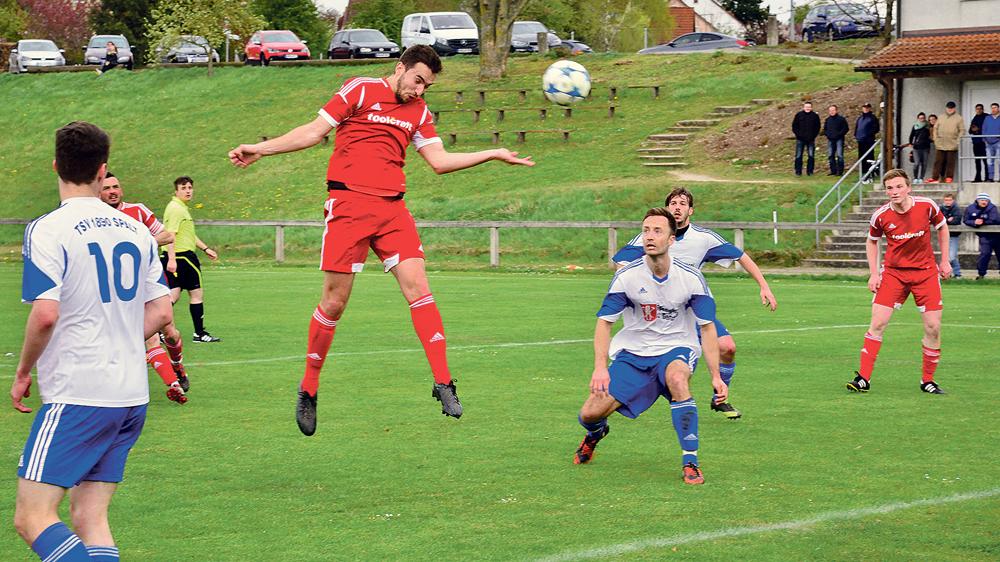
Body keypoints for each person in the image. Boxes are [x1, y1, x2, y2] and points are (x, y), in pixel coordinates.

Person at [227, 45, 535, 435]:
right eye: (417, 80)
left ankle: (443, 381)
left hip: (393, 211)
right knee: (334, 303)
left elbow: (439, 162)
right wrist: (261, 148)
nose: (420, 90)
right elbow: (313, 132)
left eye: (428, 85)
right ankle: (309, 387)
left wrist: (492, 153)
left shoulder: (419, 112)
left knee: (419, 289)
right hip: (349, 206)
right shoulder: (359, 89)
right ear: (400, 68)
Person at [12, 121, 172, 562]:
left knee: (32, 517)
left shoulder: (48, 229)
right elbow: (161, 312)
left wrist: (23, 372)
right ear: (103, 170)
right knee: (89, 518)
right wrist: (115, 333)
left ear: (55, 166)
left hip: (79, 393)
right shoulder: (137, 231)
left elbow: (46, 314)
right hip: (130, 397)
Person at [572, 207, 727, 485]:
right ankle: (596, 433)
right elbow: (604, 322)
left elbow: (707, 327)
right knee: (589, 414)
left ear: (672, 240)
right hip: (633, 353)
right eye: (645, 230)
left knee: (678, 379)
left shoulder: (691, 278)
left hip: (676, 347)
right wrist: (600, 368)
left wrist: (716, 375)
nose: (649, 236)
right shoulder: (627, 277)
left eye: (657, 231)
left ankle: (690, 460)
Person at [612, 188, 777, 419]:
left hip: (693, 311)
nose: (677, 207)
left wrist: (764, 285)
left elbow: (740, 256)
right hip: (661, 316)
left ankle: (720, 397)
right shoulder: (650, 235)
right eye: (672, 203)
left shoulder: (703, 239)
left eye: (682, 203)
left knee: (728, 348)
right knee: (655, 365)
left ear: (691, 210)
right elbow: (620, 262)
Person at [847, 169, 951, 395]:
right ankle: (863, 378)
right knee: (878, 323)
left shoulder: (927, 206)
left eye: (898, 186)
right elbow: (872, 241)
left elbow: (942, 227)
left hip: (925, 274)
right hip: (894, 275)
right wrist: (874, 273)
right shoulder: (881, 215)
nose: (894, 192)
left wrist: (945, 261)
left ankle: (928, 381)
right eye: (889, 188)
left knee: (933, 327)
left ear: (908, 187)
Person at [100, 172, 190, 402]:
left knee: (170, 332)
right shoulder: (95, 218)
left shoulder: (137, 210)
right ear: (97, 192)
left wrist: (139, 243)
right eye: (107, 187)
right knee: (149, 337)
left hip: (147, 280)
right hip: (119, 286)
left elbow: (167, 235)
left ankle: (178, 365)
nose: (112, 191)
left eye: (116, 187)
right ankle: (173, 384)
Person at [162, 176, 220, 343]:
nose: (188, 191)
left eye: (189, 187)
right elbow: (170, 235)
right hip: (182, 258)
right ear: (176, 191)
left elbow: (188, 234)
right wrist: (172, 260)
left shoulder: (179, 207)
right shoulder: (176, 209)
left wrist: (205, 248)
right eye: (183, 188)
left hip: (177, 256)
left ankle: (157, 329)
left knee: (173, 295)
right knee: (196, 294)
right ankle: (199, 333)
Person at [963, 193, 1000, 280]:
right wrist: (974, 222)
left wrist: (982, 222)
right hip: (985, 236)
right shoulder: (970, 208)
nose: (984, 202)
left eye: (986, 200)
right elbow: (966, 220)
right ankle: (981, 274)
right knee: (985, 254)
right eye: (982, 200)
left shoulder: (992, 208)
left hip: (997, 236)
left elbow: (995, 219)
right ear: (978, 200)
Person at [928, 102, 963, 184]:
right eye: (948, 108)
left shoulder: (959, 118)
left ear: (954, 108)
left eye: (951, 108)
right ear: (946, 108)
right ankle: (935, 177)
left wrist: (958, 140)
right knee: (938, 161)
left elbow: (962, 130)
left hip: (952, 143)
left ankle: (949, 177)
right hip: (940, 143)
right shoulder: (941, 117)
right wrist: (935, 139)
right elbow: (935, 128)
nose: (950, 110)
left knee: (950, 162)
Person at [791, 101, 821, 176]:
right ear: (804, 107)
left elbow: (817, 127)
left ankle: (810, 171)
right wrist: (798, 135)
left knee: (811, 156)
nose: (808, 108)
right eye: (806, 107)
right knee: (798, 156)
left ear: (811, 107)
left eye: (809, 107)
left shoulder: (815, 116)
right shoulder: (799, 115)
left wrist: (813, 136)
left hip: (811, 139)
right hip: (800, 139)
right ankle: (798, 171)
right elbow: (794, 126)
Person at [940, 193, 963, 279]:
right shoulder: (941, 208)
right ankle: (956, 274)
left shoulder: (956, 209)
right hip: (943, 235)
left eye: (949, 200)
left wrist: (945, 220)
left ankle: (954, 273)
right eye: (946, 200)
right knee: (947, 256)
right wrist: (947, 219)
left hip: (953, 235)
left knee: (951, 256)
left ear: (953, 200)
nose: (948, 202)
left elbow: (957, 220)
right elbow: (939, 219)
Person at [854, 103, 880, 180]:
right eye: (864, 107)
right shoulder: (860, 118)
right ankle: (863, 172)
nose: (865, 109)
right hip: (860, 140)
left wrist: (868, 134)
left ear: (869, 108)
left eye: (867, 107)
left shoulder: (872, 118)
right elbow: (857, 127)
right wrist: (856, 135)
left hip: (869, 140)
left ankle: (870, 172)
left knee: (869, 156)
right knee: (861, 156)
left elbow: (876, 129)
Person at [823, 104, 849, 176]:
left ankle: (840, 171)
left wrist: (839, 135)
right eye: (830, 110)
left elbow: (846, 129)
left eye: (833, 110)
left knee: (840, 155)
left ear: (836, 110)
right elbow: (825, 129)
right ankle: (833, 170)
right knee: (830, 155)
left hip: (839, 139)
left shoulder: (841, 119)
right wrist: (828, 135)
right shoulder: (827, 120)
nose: (831, 112)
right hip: (830, 140)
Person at [907, 112, 931, 183]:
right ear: (918, 118)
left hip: (925, 147)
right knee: (916, 163)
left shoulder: (928, 126)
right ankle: (915, 177)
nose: (922, 119)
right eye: (920, 118)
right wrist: (911, 143)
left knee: (924, 163)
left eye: (923, 118)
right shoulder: (915, 126)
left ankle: (921, 178)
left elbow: (931, 135)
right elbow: (911, 136)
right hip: (916, 147)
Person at [969, 103, 987, 182]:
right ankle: (978, 178)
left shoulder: (987, 117)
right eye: (977, 109)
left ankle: (987, 177)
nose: (978, 110)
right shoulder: (974, 118)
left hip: (984, 142)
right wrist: (973, 130)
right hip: (976, 142)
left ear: (983, 109)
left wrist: (978, 130)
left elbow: (987, 128)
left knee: (986, 161)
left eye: (980, 109)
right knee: (977, 161)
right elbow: (970, 130)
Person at [982, 103, 1000, 182]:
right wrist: (984, 139)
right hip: (988, 143)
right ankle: (990, 178)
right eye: (992, 108)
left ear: (998, 108)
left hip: (998, 142)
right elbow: (984, 129)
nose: (993, 109)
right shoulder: (987, 118)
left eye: (995, 107)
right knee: (989, 161)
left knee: (999, 160)